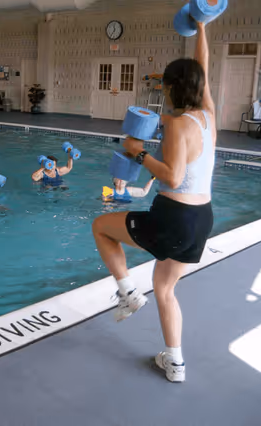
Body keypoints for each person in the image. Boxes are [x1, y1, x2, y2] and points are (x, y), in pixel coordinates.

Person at [91, 21, 215, 383]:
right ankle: (175, 363)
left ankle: (128, 292)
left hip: (174, 217)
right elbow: (203, 68)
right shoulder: (209, 115)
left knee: (101, 228)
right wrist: (202, 27)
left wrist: (139, 152)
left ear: (172, 88)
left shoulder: (178, 126)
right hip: (201, 220)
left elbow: (173, 177)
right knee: (164, 288)